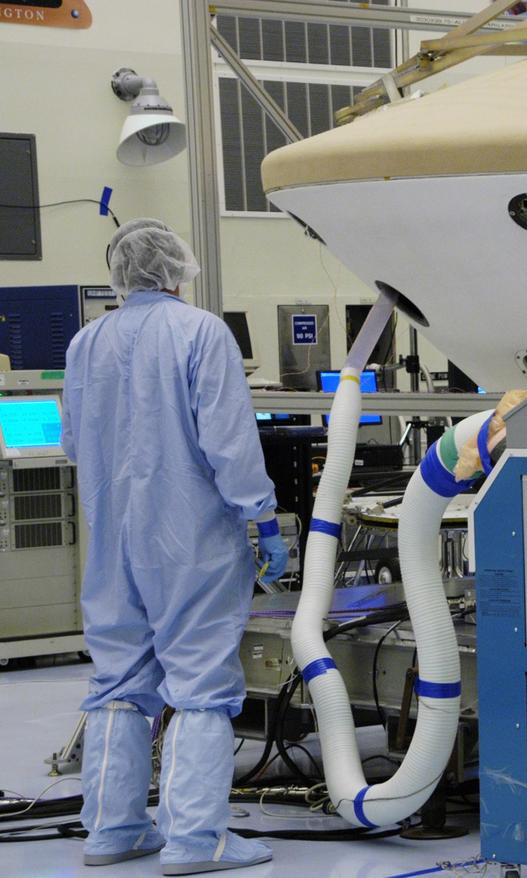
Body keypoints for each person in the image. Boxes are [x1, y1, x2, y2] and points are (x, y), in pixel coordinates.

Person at [62, 223, 287, 873]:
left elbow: (76, 444)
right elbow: (229, 442)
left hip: (112, 538)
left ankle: (112, 829)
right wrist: (263, 518)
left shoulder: (85, 343)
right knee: (198, 679)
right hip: (191, 537)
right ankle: (195, 839)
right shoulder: (201, 332)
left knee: (119, 680)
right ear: (175, 272)